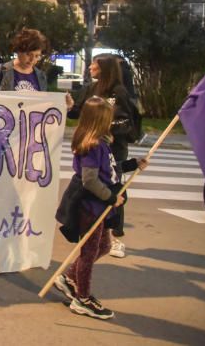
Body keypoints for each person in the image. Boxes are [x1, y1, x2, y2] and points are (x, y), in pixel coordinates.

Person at [56, 97, 148, 320]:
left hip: (99, 206)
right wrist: (110, 197)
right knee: (88, 253)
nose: (112, 121)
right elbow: (90, 180)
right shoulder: (92, 145)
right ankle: (83, 299)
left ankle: (69, 278)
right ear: (99, 120)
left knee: (104, 246)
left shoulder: (103, 142)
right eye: (109, 118)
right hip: (90, 207)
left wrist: (133, 164)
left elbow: (111, 169)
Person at [68, 55, 139, 258]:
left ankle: (116, 236)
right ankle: (94, 231)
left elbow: (126, 122)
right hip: (93, 145)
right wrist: (64, 104)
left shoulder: (118, 91)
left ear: (104, 68)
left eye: (94, 64)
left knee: (115, 190)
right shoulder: (91, 88)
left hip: (114, 149)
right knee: (93, 190)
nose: (90, 67)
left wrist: (105, 128)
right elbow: (76, 111)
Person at [0, 28, 50, 93]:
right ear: (18, 51)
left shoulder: (41, 76)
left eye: (37, 56)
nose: (32, 59)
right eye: (28, 54)